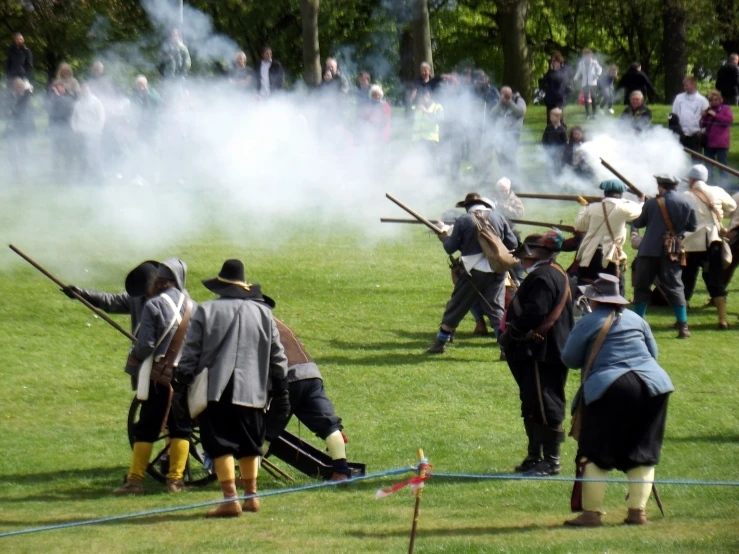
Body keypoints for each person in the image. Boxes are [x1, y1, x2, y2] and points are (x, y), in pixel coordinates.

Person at [175, 259, 290, 517]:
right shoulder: (264, 313)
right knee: (251, 443)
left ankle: (230, 499)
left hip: (217, 389)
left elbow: (191, 352)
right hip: (254, 391)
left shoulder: (205, 311)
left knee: (220, 444)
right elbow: (278, 355)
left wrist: (183, 381)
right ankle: (252, 496)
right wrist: (280, 386)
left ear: (220, 286)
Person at [561, 273, 674, 527]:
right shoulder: (636, 318)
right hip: (654, 385)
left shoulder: (588, 321)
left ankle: (591, 514)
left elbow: (569, 359)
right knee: (642, 451)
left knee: (594, 452)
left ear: (596, 300)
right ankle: (638, 513)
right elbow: (652, 354)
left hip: (611, 386)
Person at [112, 259, 194, 495]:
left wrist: (134, 353)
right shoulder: (194, 306)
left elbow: (146, 345)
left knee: (147, 427)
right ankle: (176, 481)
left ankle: (135, 481)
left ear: (162, 282)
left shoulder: (154, 305)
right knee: (181, 428)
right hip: (186, 375)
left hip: (159, 376)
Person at [498, 230, 574, 476]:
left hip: (542, 352)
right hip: (538, 351)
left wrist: (511, 335)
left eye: (525, 257)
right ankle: (534, 456)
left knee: (546, 405)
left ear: (535, 255)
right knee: (532, 403)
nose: (522, 261)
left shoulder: (543, 277)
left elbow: (535, 313)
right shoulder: (552, 272)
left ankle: (551, 461)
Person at [427, 193, 518, 353]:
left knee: (457, 306)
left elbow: (450, 248)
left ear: (467, 207)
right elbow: (513, 243)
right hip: (498, 269)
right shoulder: (498, 217)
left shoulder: (463, 220)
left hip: (472, 272)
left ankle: (440, 343)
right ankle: (505, 349)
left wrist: (443, 238)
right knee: (496, 309)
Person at [265, 317, 351, 481]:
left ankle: (246, 478)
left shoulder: (250, 323)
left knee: (266, 432)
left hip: (288, 378)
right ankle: (341, 472)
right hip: (311, 375)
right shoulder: (277, 321)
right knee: (329, 425)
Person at [632, 175, 698, 338]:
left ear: (661, 186)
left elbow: (639, 222)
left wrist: (641, 205)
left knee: (641, 287)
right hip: (671, 252)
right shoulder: (687, 202)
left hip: (648, 251)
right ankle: (683, 326)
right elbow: (693, 226)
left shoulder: (653, 203)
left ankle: (638, 324)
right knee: (675, 288)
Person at [682, 164, 737, 329]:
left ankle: (682, 321)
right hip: (713, 241)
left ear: (691, 179)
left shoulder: (686, 195)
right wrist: (719, 213)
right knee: (716, 280)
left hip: (691, 243)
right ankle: (723, 320)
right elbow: (732, 207)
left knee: (686, 280)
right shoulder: (718, 191)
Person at [573, 179, 643, 293]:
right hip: (611, 256)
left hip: (591, 254)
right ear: (620, 194)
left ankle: (585, 309)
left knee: (586, 286)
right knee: (615, 288)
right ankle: (616, 310)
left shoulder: (592, 207)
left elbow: (579, 226)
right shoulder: (624, 207)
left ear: (605, 192)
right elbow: (638, 210)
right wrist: (640, 200)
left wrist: (584, 207)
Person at [71, 84, 106, 181]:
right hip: (81, 133)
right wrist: (75, 128)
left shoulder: (97, 102)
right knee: (82, 156)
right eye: (82, 91)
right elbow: (74, 118)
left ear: (89, 91)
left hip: (93, 134)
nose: (84, 93)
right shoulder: (78, 104)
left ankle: (100, 179)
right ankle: (82, 179)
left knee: (95, 156)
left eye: (86, 91)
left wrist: (96, 130)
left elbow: (101, 118)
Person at [490, 86, 526, 178]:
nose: (505, 96)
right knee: (501, 158)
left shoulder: (519, 100)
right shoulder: (500, 103)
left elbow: (521, 112)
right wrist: (500, 103)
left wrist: (510, 103)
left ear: (511, 94)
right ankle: (505, 178)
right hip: (500, 135)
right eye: (503, 94)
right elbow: (491, 114)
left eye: (507, 94)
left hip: (513, 134)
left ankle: (515, 180)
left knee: (510, 157)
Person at [700, 90, 734, 186]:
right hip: (709, 143)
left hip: (722, 143)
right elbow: (702, 125)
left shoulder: (725, 109)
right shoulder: (708, 110)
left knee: (723, 166)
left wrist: (716, 115)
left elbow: (728, 121)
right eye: (711, 100)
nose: (714, 102)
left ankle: (724, 185)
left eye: (716, 100)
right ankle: (709, 184)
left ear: (720, 100)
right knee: (708, 166)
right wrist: (704, 117)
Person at [4, 77, 35, 179]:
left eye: (20, 87)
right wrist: (8, 112)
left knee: (23, 149)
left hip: (23, 126)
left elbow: (23, 106)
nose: (18, 88)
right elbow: (5, 108)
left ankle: (23, 170)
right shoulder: (10, 96)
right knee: (11, 150)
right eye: (16, 87)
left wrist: (13, 112)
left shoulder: (26, 96)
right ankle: (15, 170)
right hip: (12, 127)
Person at [45, 80, 76, 175]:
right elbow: (49, 110)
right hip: (55, 127)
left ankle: (68, 172)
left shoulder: (69, 96)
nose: (56, 90)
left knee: (67, 152)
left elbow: (67, 108)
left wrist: (58, 96)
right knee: (55, 152)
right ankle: (56, 172)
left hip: (67, 127)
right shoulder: (53, 97)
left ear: (63, 87)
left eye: (58, 87)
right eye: (55, 87)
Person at [672, 76, 709, 152]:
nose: (684, 87)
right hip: (681, 132)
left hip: (696, 134)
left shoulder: (702, 100)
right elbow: (674, 114)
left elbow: (707, 118)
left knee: (696, 157)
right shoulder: (679, 98)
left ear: (693, 85)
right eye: (684, 85)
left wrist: (702, 131)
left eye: (687, 85)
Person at [411, 89, 444, 158]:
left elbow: (440, 120)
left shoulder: (437, 107)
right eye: (421, 97)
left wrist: (426, 112)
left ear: (430, 97)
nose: (423, 98)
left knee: (431, 164)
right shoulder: (416, 107)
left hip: (431, 141)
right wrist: (411, 99)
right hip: (417, 140)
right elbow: (407, 114)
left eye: (425, 96)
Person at [573, 48, 602, 119]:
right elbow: (579, 72)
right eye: (586, 55)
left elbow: (600, 69)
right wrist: (575, 78)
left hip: (592, 82)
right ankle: (587, 113)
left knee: (593, 97)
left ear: (591, 55)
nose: (587, 56)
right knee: (585, 98)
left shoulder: (594, 62)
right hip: (585, 82)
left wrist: (597, 75)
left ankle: (594, 113)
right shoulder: (581, 63)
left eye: (588, 55)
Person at [541, 53, 568, 123]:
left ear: (559, 62)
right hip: (550, 99)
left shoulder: (563, 70)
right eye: (552, 61)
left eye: (554, 61)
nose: (552, 63)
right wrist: (551, 70)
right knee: (550, 121)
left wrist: (554, 70)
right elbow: (545, 80)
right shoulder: (551, 71)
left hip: (559, 100)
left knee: (560, 120)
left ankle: (562, 133)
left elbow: (558, 78)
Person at [541, 108, 567, 172]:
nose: (550, 118)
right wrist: (546, 147)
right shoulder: (549, 127)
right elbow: (544, 138)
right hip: (549, 150)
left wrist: (561, 151)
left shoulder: (562, 129)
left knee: (557, 165)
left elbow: (565, 142)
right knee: (550, 165)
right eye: (550, 116)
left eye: (552, 116)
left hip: (559, 152)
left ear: (558, 117)